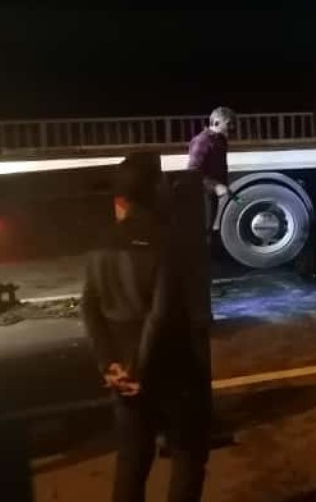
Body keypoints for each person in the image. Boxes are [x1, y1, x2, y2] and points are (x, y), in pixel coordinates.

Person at [82, 153, 209, 502]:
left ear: (119, 201)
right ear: (156, 193)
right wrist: (139, 369)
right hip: (168, 366)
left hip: (122, 371)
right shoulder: (167, 242)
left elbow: (89, 308)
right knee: (187, 454)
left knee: (132, 459)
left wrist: (110, 364)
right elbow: (160, 314)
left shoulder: (100, 243)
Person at [187, 106, 234, 236]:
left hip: (211, 193)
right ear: (217, 122)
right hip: (202, 194)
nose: (232, 128)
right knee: (203, 229)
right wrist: (215, 186)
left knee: (210, 227)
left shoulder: (220, 140)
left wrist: (223, 184)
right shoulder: (202, 140)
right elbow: (193, 172)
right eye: (229, 124)